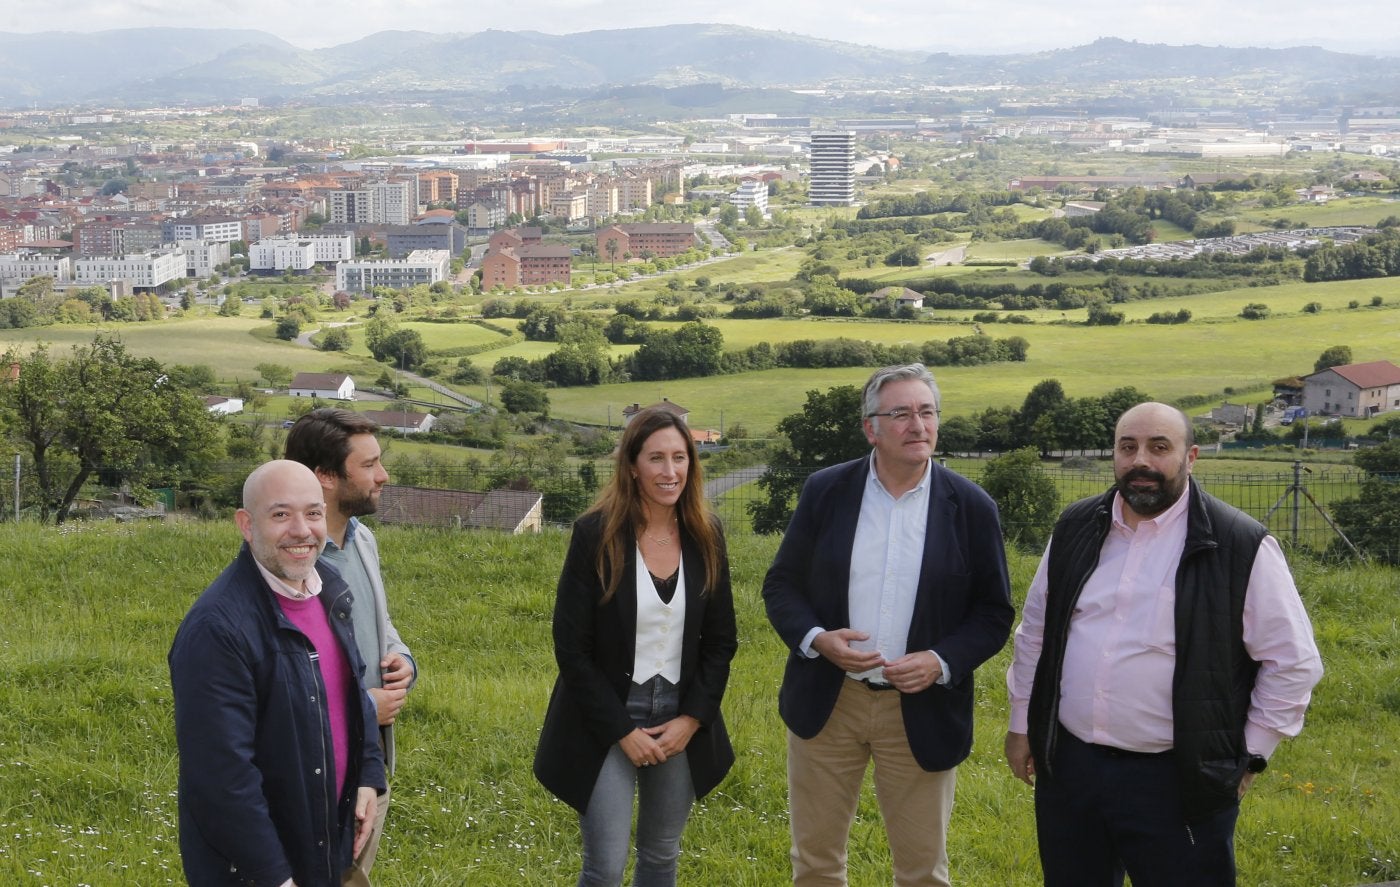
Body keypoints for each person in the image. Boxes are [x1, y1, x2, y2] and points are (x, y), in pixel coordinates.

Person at [1004, 401, 1324, 887]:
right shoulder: (1074, 528)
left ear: (1190, 456)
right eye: (1127, 447)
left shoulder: (1239, 544)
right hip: (1072, 772)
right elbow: (1036, 634)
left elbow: (1293, 661)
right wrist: (1022, 723)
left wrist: (1252, 754)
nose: (1141, 461)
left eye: (1159, 447)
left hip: (1179, 780)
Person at [762, 363, 1014, 887]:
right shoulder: (826, 491)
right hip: (830, 702)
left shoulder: (971, 508)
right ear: (870, 428)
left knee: (922, 870)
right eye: (900, 413)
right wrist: (816, 639)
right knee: (815, 864)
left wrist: (941, 661)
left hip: (920, 711)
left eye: (926, 412)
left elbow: (993, 613)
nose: (917, 425)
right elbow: (782, 585)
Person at [534, 406, 738, 887]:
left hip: (679, 716)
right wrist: (622, 730)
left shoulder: (707, 535)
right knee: (604, 868)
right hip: (605, 717)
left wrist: (692, 720)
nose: (670, 472)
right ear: (632, 466)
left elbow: (721, 642)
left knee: (662, 857)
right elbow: (572, 649)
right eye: (656, 459)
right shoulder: (595, 535)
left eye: (680, 458)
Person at [169, 460, 386, 887]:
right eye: (281, 514)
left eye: (313, 512)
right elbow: (222, 779)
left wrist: (367, 775)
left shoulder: (328, 587)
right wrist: (275, 878)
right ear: (247, 525)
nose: (302, 530)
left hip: (325, 843)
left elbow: (352, 692)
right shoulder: (218, 629)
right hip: (258, 869)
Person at [285, 408, 417, 885]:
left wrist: (403, 660)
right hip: (319, 767)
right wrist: (365, 706)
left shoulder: (364, 541)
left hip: (369, 761)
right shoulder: (295, 565)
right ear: (324, 478)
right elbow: (286, 680)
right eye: (368, 466)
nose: (382, 477)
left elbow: (382, 627)